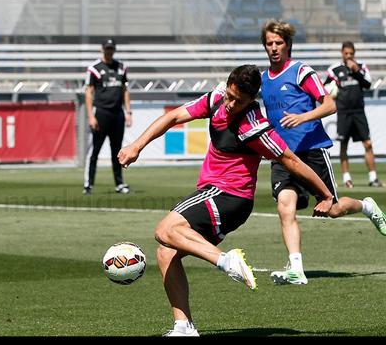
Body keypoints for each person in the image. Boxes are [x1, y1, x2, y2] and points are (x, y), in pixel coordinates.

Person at [118, 64, 335, 337]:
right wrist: (136, 145)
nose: (232, 104)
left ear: (252, 99)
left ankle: (227, 261)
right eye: (231, 96)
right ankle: (184, 327)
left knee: (164, 230)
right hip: (215, 193)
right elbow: (174, 117)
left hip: (230, 196)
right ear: (227, 85)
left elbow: (289, 159)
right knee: (167, 252)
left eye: (240, 101)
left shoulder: (254, 126)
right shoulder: (217, 98)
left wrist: (325, 194)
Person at [259, 20, 386, 286]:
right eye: (269, 43)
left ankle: (367, 206)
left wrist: (302, 117)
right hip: (283, 156)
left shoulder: (301, 71)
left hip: (312, 152)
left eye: (278, 43)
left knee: (334, 210)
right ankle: (296, 269)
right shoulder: (263, 79)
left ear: (287, 44)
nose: (273, 48)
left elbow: (329, 105)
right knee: (285, 208)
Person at [324, 41, 382, 188]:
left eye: (351, 53)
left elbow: (368, 84)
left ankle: (373, 177)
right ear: (342, 53)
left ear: (354, 53)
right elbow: (326, 88)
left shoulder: (361, 66)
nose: (349, 56)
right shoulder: (334, 69)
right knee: (344, 144)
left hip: (358, 111)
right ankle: (346, 178)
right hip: (343, 112)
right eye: (346, 53)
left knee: (367, 143)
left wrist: (356, 71)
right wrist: (331, 90)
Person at [83, 38, 132, 195]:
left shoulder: (121, 67)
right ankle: (88, 184)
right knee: (94, 151)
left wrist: (128, 112)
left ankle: (119, 183)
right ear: (102, 49)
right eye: (106, 48)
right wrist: (91, 116)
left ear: (114, 49)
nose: (109, 51)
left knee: (117, 151)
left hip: (117, 114)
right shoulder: (94, 68)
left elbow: (125, 90)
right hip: (101, 113)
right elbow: (89, 92)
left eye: (111, 48)